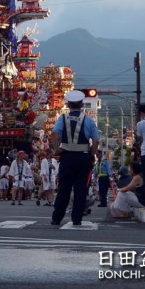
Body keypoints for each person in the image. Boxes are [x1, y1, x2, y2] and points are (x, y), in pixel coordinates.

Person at [50, 90, 100, 226]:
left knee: (64, 188)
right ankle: (76, 218)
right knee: (81, 189)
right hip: (83, 158)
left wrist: (57, 149)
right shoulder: (88, 120)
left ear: (68, 104)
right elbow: (95, 141)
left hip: (66, 157)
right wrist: (92, 154)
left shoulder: (62, 118)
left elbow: (54, 134)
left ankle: (57, 218)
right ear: (82, 104)